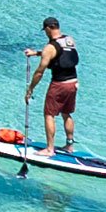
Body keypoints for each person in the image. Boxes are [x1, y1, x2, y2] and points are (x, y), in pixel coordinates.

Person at [24, 18, 79, 153]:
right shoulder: (69, 40)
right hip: (73, 83)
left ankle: (49, 149)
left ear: (48, 28)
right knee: (66, 113)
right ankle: (69, 145)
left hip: (59, 85)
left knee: (49, 114)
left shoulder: (49, 47)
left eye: (45, 31)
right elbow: (59, 55)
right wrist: (36, 53)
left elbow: (39, 72)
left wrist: (30, 89)